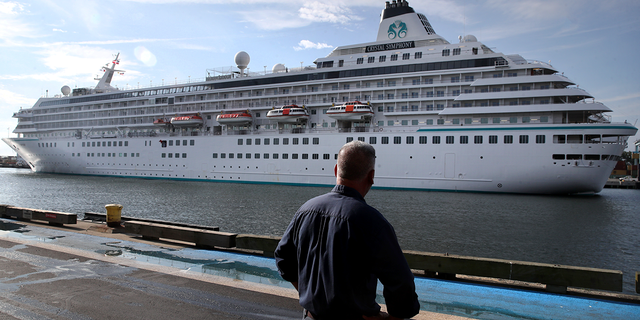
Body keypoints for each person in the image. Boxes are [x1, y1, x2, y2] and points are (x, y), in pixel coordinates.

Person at [274, 141, 420, 320]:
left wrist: (306, 291)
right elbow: (401, 282)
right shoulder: (373, 222)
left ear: (336, 170)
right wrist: (394, 317)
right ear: (371, 176)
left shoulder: (306, 210)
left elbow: (283, 257)